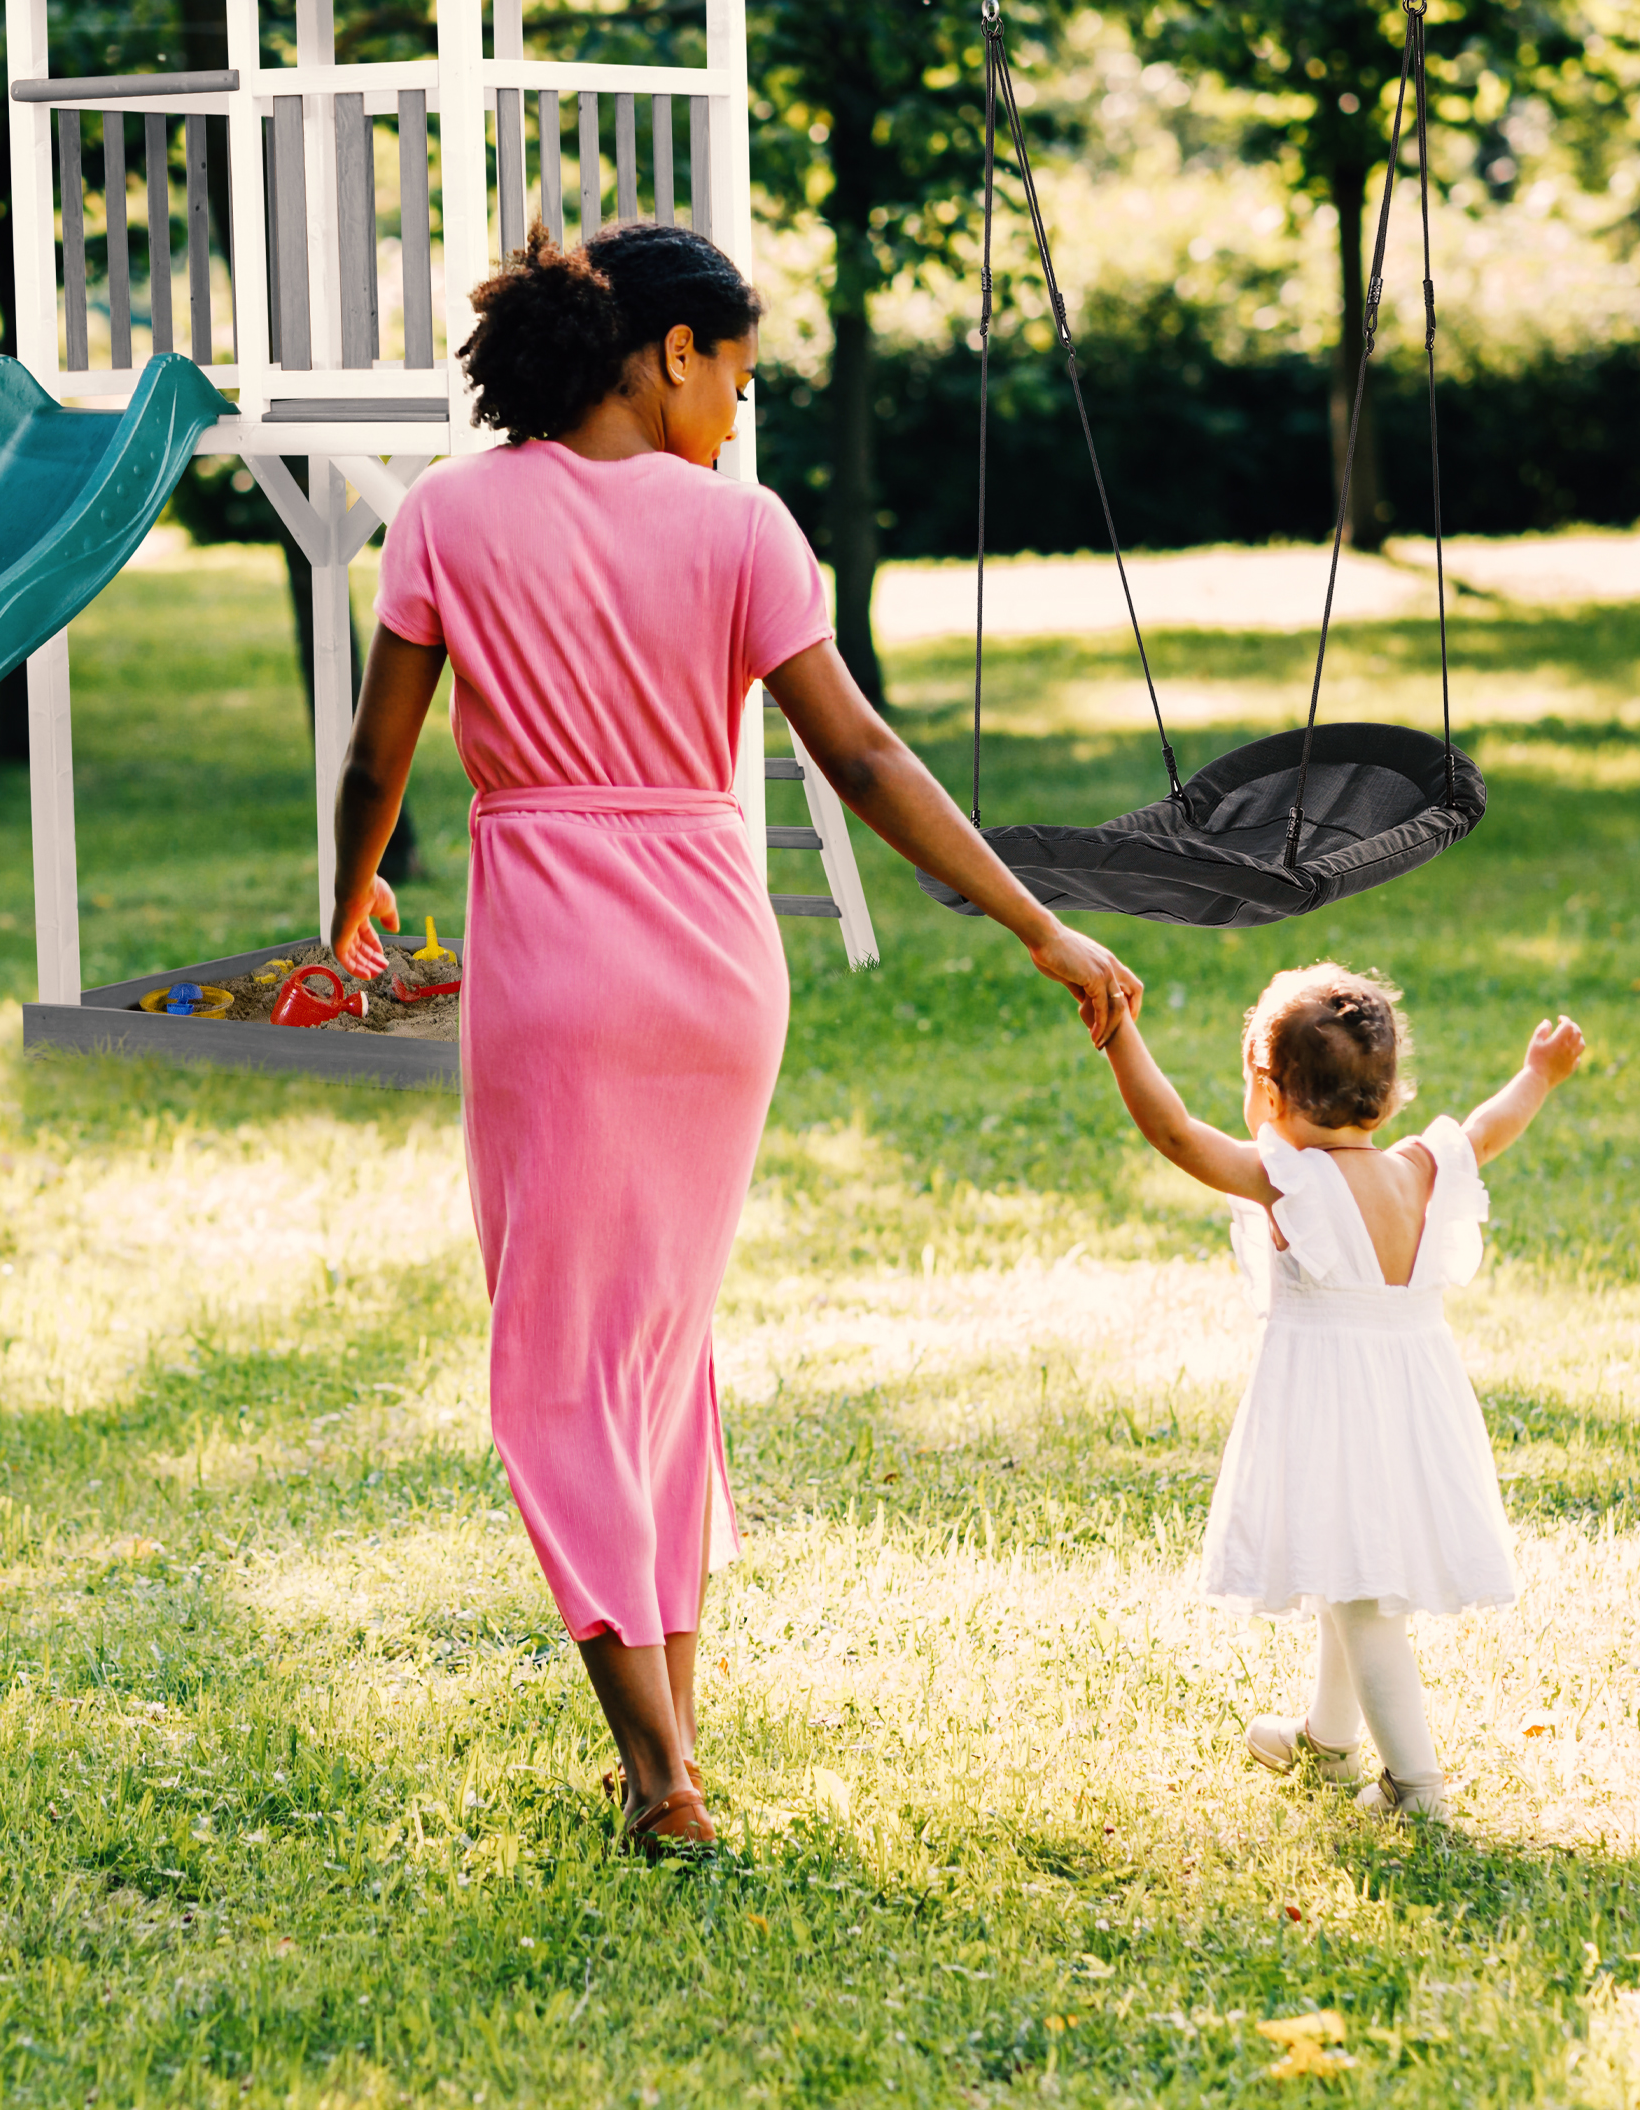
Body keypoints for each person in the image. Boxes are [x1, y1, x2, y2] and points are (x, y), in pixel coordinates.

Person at [327, 222, 1143, 1857]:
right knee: (656, 1356)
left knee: (560, 1369)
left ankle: (658, 1777)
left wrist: (343, 908)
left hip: (555, 966)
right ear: (670, 353)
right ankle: (674, 1747)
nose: (740, 416)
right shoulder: (743, 531)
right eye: (740, 379)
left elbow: (379, 758)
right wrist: (1036, 919)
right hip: (714, 966)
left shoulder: (447, 515)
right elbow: (861, 759)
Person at [1095, 963, 1586, 1822]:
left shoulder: (1291, 1183)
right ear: (1389, 1098)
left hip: (1333, 1410)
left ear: (1269, 1092)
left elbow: (1173, 1133)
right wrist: (1538, 1074)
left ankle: (1415, 1786)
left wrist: (1118, 1033)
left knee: (1360, 1599)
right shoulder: (1422, 1168)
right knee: (1343, 1565)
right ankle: (1327, 1742)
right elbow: (1489, 1126)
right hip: (1412, 1406)